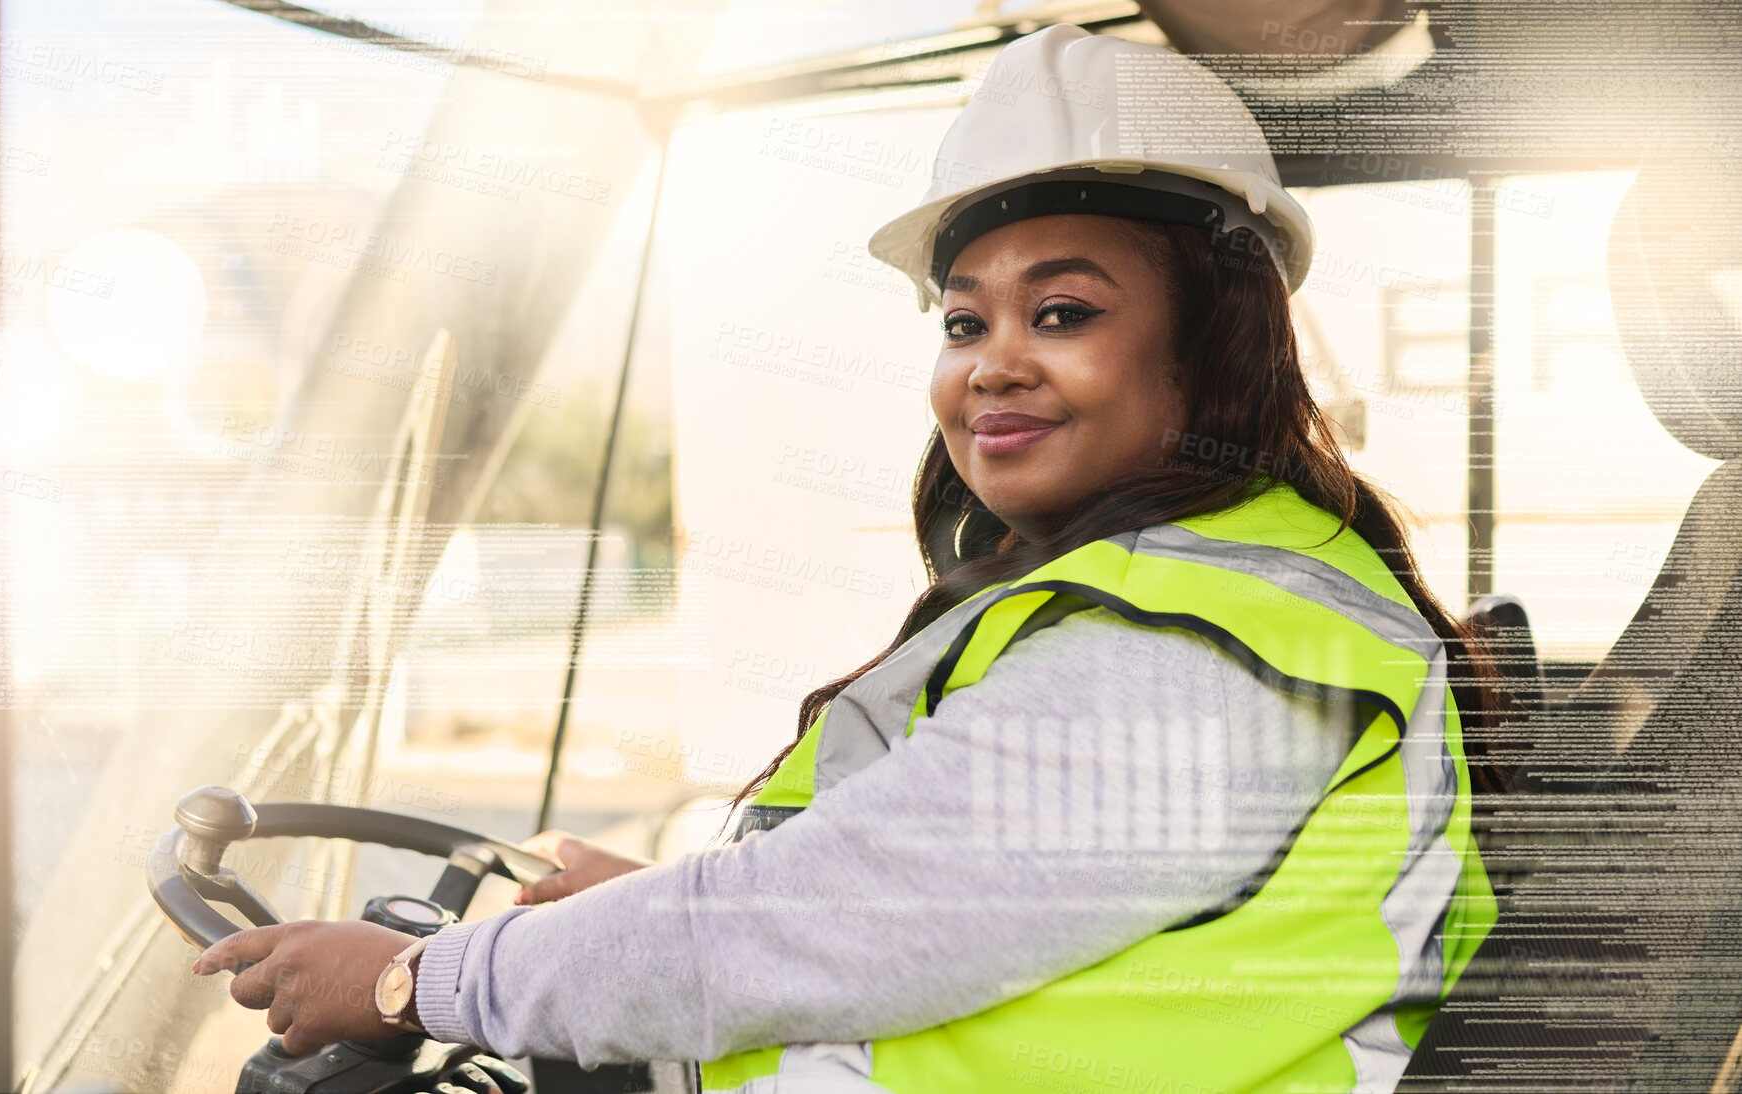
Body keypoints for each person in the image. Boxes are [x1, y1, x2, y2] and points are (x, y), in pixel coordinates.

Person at [193, 24, 1501, 1092]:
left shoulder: (1202, 641)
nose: (992, 359)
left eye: (1063, 310)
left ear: (1212, 343)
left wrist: (413, 978)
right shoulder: (1186, 586)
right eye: (964, 317)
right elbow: (922, 904)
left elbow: (820, 928)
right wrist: (653, 912)